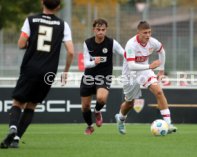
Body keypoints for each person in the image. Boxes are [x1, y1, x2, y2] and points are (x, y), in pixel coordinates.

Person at [0, 0, 74, 148]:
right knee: (32, 105)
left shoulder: (31, 20)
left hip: (30, 68)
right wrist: (65, 72)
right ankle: (16, 139)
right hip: (48, 72)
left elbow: (21, 43)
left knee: (18, 102)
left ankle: (13, 128)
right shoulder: (63, 25)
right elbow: (71, 51)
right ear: (58, 7)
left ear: (42, 3)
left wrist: (31, 43)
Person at [114, 21, 177, 135]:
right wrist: (150, 66)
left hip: (145, 72)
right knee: (129, 103)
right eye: (145, 33)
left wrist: (161, 70)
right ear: (138, 33)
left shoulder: (152, 42)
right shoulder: (131, 44)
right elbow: (131, 66)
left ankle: (168, 124)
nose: (148, 35)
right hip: (130, 74)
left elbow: (162, 51)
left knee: (159, 92)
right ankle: (121, 119)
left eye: (149, 32)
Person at [80, 18, 124, 135]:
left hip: (104, 76)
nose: (100, 32)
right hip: (89, 76)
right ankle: (90, 126)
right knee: (85, 107)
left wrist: (133, 59)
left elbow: (124, 53)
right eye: (98, 29)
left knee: (101, 98)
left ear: (106, 30)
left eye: (103, 30)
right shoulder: (87, 43)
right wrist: (94, 62)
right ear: (94, 30)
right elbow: (85, 63)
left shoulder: (112, 43)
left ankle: (97, 111)